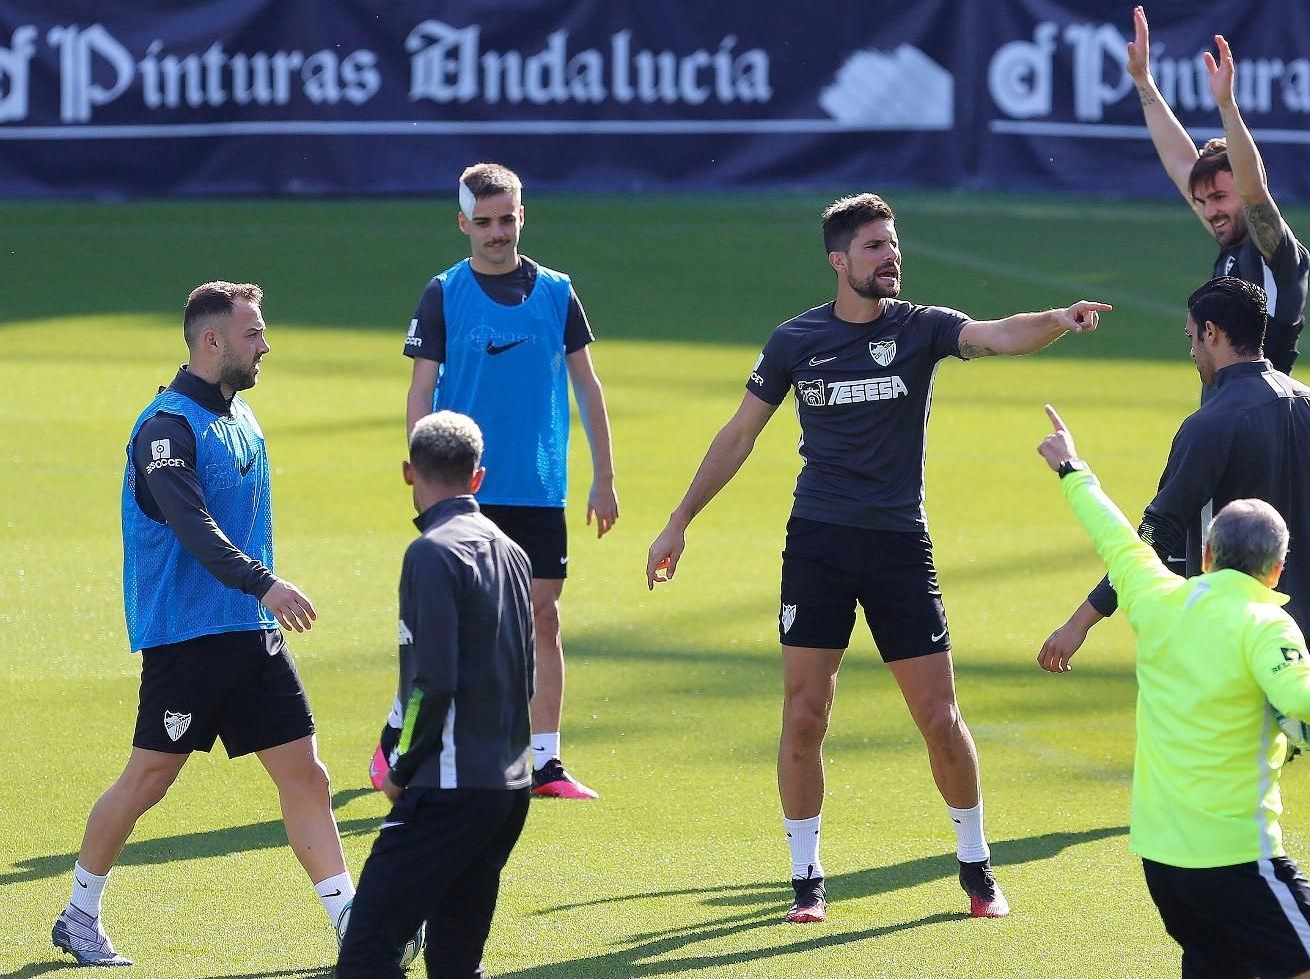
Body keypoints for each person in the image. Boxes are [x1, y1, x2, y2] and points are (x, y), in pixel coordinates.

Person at [644, 192, 1111, 923]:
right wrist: (679, 520)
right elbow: (740, 434)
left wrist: (1056, 319)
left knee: (938, 714)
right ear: (838, 260)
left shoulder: (921, 328)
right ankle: (806, 877)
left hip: (898, 545)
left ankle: (976, 865)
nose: (891, 257)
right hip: (819, 544)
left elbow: (997, 334)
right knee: (805, 715)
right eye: (874, 248)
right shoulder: (795, 340)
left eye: (893, 245)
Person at [1035, 403, 1310, 978]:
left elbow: (1115, 535)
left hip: (1163, 863)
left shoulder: (1156, 595)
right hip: (1237, 862)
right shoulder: (1267, 622)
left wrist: (1072, 466)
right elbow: (1302, 698)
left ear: (1206, 554)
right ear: (1278, 569)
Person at [53, 282, 349, 967]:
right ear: (212, 340)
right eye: (253, 334)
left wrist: (259, 596)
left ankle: (353, 921)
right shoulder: (166, 429)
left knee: (306, 775)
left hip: (249, 633)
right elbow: (192, 526)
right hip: (188, 639)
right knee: (147, 781)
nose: (265, 344)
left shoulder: (241, 417)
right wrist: (265, 582)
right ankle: (78, 914)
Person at [404, 162, 616, 800]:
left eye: (508, 219)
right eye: (485, 222)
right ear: (463, 223)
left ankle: (543, 763)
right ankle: (415, 740)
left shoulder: (557, 292)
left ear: (522, 216)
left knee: (541, 618)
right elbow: (420, 389)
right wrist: (423, 471)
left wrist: (603, 477)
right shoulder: (443, 293)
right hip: (464, 487)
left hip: (537, 487)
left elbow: (587, 385)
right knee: (456, 625)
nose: (498, 233)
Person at [1040, 277, 1310, 675]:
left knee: (1217, 735)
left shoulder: (1211, 423)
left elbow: (1155, 534)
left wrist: (1079, 623)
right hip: (1299, 630)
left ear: (1212, 333)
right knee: (1280, 736)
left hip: (1225, 630)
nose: (1191, 351)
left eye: (1192, 337)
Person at [337, 411, 535, 979]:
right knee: (454, 962)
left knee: (367, 954)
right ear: (478, 477)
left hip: (447, 785)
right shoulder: (513, 553)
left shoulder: (430, 553)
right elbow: (530, 676)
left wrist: (403, 765)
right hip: (506, 789)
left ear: (408, 472)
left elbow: (433, 681)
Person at [1127, 5, 1310, 374]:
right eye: (1202, 202)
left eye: (1219, 198)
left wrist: (1227, 106)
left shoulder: (1275, 254)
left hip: (1264, 415)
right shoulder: (1231, 244)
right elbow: (1181, 164)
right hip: (1226, 411)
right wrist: (1143, 81)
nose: (1210, 211)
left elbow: (1254, 189)